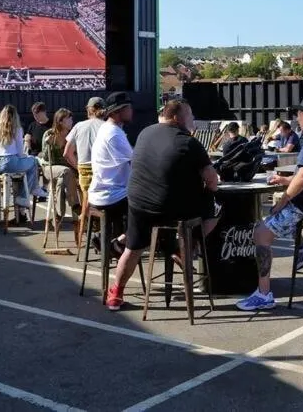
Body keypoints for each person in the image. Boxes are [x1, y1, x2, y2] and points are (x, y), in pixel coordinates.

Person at [106, 98, 221, 311]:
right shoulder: (189, 142)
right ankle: (188, 246)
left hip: (139, 204)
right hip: (173, 211)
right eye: (191, 116)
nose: (193, 120)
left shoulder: (144, 133)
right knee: (217, 205)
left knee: (132, 249)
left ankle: (115, 293)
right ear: (178, 118)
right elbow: (212, 180)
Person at [237, 97, 303, 311]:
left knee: (260, 234)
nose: (297, 118)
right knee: (280, 212)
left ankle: (264, 294)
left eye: (300, 114)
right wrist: (285, 181)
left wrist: (284, 199)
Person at [89, 91, 135, 282]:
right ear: (117, 112)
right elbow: (137, 164)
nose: (132, 110)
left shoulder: (110, 130)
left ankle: (112, 240)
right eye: (128, 107)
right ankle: (119, 242)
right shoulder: (114, 134)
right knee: (153, 209)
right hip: (112, 195)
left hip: (105, 192)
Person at [0, 104, 42, 224]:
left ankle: (24, 200)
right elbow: (21, 153)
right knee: (33, 161)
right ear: (15, 116)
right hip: (11, 161)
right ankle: (26, 195)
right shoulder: (17, 129)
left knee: (25, 166)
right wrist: (27, 156)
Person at [65, 96, 106, 246]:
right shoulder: (107, 126)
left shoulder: (79, 126)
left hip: (84, 173)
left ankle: (87, 225)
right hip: (101, 173)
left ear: (89, 110)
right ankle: (107, 235)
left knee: (86, 197)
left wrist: (78, 167)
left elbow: (67, 153)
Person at [40, 108, 81, 219]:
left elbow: (76, 155)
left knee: (63, 178)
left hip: (66, 172)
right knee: (66, 171)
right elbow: (45, 158)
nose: (72, 120)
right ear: (60, 121)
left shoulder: (72, 136)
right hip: (50, 167)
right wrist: (48, 143)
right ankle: (75, 205)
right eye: (69, 118)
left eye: (72, 118)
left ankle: (59, 213)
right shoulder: (49, 134)